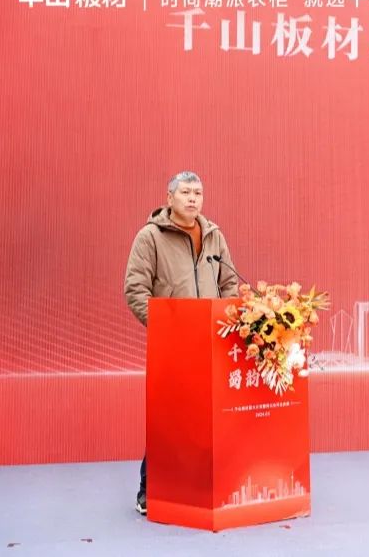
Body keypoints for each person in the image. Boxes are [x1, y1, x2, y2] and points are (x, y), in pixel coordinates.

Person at [124, 171, 239, 515]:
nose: (192, 198)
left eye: (198, 193)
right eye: (186, 192)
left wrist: (227, 321)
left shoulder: (214, 235)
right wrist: (165, 329)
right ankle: (150, 489)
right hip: (174, 345)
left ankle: (202, 486)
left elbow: (229, 283)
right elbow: (135, 289)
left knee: (210, 418)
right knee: (170, 419)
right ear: (169, 198)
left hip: (213, 342)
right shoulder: (150, 237)